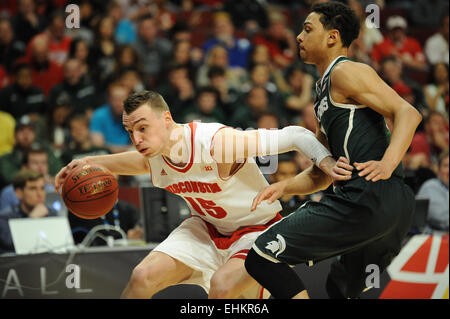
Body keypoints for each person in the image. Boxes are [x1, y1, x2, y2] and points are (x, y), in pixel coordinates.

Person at [54, 90, 348, 299]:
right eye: (131, 132)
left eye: (143, 128)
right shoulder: (154, 153)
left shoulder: (217, 143)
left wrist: (327, 164)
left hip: (255, 231)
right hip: (205, 230)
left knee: (222, 288)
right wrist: (90, 162)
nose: (137, 139)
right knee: (142, 278)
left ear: (167, 119)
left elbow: (296, 135)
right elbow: (139, 161)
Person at [244, 2, 422, 299]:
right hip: (390, 207)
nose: (299, 36)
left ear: (332, 37)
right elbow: (323, 173)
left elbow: (408, 113)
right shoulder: (323, 91)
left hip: (365, 197)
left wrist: (388, 162)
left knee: (261, 257)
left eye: (308, 29)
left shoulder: (346, 71)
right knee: (340, 289)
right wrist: (284, 186)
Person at [0, 170, 58, 253]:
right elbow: (12, 244)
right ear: (18, 193)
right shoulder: (4, 218)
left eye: (42, 188)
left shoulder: (52, 213)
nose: (39, 194)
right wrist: (32, 219)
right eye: (33, 189)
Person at [0, 146, 55, 210]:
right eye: (35, 163)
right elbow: (4, 218)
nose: (40, 167)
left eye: (44, 163)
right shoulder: (9, 193)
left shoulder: (54, 190)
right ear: (24, 167)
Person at [90, 82, 131, 153]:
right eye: (115, 99)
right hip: (106, 156)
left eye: (122, 99)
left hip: (129, 156)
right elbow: (97, 145)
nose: (118, 103)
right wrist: (125, 149)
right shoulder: (99, 115)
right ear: (109, 99)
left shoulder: (134, 115)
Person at [416, 151, 449, 232]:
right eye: (446, 166)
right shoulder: (430, 187)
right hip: (436, 236)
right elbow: (441, 218)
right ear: (438, 169)